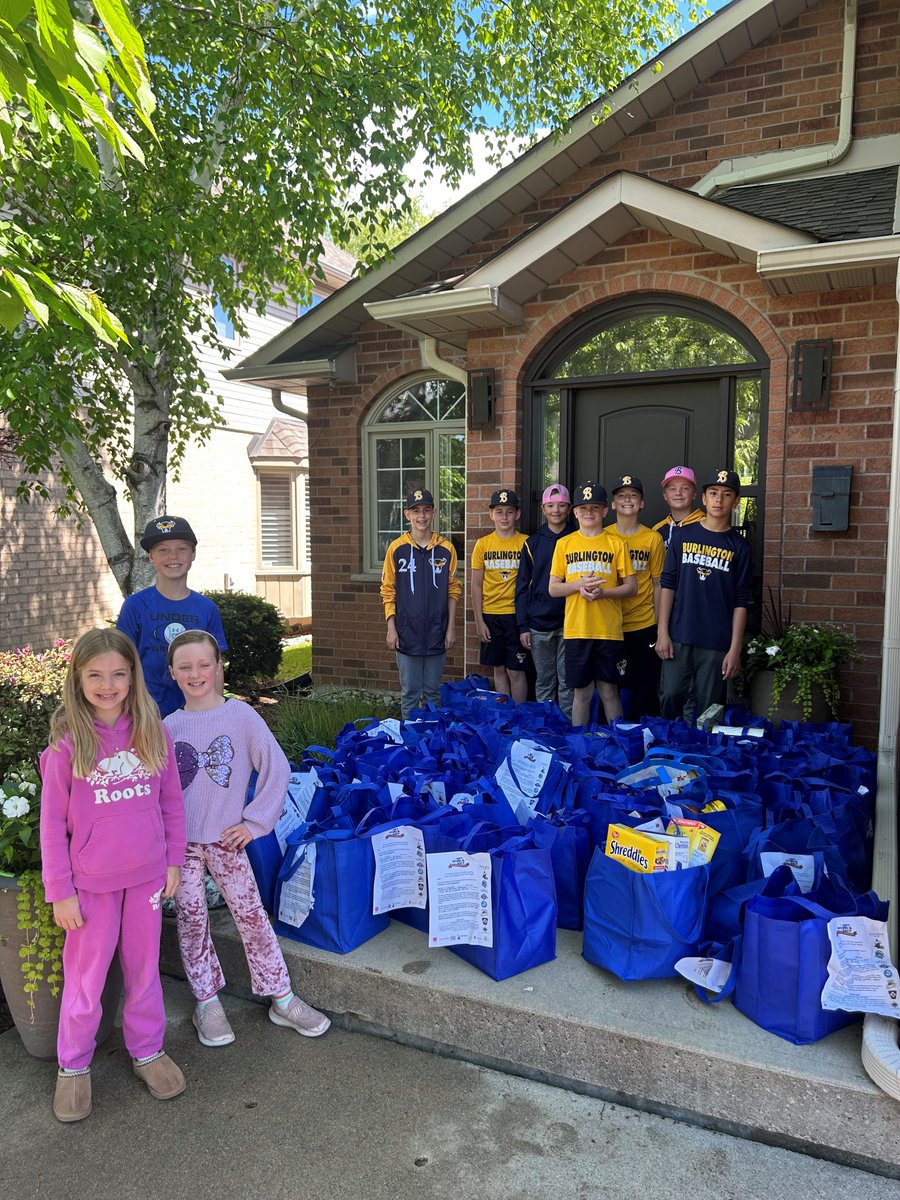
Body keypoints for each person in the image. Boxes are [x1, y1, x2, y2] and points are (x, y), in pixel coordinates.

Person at [39, 628, 187, 1123]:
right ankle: (73, 1066)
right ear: (78, 678)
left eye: (119, 674)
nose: (108, 685)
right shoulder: (66, 744)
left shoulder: (152, 729)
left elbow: (171, 801)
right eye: (96, 675)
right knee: (87, 977)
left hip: (146, 877)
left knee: (144, 971)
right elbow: (51, 827)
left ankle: (147, 1050)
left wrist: (172, 861)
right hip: (90, 886)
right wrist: (60, 892)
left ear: (132, 676)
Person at [164, 630, 330, 1049]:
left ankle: (282, 997)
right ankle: (206, 1001)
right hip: (182, 846)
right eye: (185, 667)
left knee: (252, 917)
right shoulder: (167, 727)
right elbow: (157, 790)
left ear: (219, 667)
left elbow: (275, 767)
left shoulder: (241, 718)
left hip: (226, 841)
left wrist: (255, 822)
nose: (196, 673)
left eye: (204, 664)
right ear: (172, 673)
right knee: (191, 920)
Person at [656, 468, 752, 722]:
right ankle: (670, 748)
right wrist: (662, 632)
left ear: (736, 501)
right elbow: (668, 585)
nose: (719, 500)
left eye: (726, 494)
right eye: (713, 493)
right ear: (704, 498)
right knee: (671, 695)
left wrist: (735, 649)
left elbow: (741, 601)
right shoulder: (683, 536)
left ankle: (702, 758)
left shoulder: (740, 546)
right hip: (679, 634)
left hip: (716, 639)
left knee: (707, 708)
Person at [117, 515, 228, 718]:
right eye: (163, 550)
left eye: (181, 549)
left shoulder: (206, 608)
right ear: (151, 557)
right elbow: (121, 662)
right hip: (146, 715)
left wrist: (215, 716)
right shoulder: (135, 606)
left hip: (194, 713)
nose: (173, 556)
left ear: (193, 554)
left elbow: (216, 666)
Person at [548, 482, 636, 727]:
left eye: (595, 507)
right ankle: (579, 744)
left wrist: (603, 593)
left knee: (609, 691)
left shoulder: (616, 543)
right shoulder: (564, 544)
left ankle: (619, 742)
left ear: (605, 511)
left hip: (608, 630)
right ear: (574, 512)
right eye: (583, 508)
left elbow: (632, 587)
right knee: (582, 692)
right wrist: (578, 586)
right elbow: (553, 588)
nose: (589, 513)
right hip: (577, 630)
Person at [380, 488, 461, 718]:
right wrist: (391, 628)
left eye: (426, 510)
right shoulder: (396, 549)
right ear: (407, 515)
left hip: (437, 631)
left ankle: (432, 742)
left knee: (433, 692)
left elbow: (453, 588)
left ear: (434, 513)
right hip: (407, 633)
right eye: (416, 511)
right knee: (410, 692)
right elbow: (388, 590)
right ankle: (412, 743)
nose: (421, 516)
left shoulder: (446, 549)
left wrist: (451, 627)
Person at [515, 483, 576, 719]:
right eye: (551, 506)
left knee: (568, 681)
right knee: (544, 681)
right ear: (543, 508)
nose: (556, 510)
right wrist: (523, 625)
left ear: (570, 508)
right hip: (539, 623)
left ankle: (569, 730)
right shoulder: (532, 543)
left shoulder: (578, 539)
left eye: (561, 505)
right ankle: (546, 727)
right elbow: (521, 588)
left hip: (571, 622)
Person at [608, 475, 666, 719]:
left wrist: (658, 626)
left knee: (644, 689)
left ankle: (644, 740)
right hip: (610, 624)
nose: (627, 500)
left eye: (633, 495)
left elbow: (658, 584)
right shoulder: (603, 536)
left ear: (641, 503)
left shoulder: (653, 539)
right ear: (612, 504)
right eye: (621, 495)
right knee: (611, 687)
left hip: (643, 624)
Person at [471, 489, 529, 703]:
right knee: (499, 670)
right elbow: (476, 586)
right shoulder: (483, 544)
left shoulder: (526, 543)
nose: (504, 517)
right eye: (499, 512)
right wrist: (479, 621)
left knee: (516, 671)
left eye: (509, 512)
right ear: (491, 515)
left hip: (516, 615)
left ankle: (520, 715)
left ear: (517, 514)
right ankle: (504, 716)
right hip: (491, 615)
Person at [652, 466, 705, 549]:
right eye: (672, 489)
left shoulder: (706, 525)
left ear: (694, 494)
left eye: (685, 488)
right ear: (665, 495)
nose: (678, 493)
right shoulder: (657, 530)